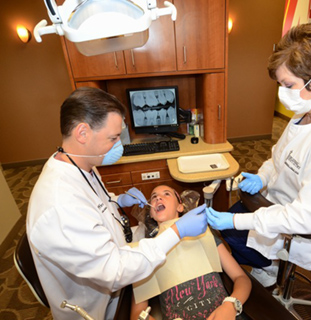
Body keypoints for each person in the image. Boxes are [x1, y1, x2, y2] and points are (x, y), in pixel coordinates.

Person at [206, 21, 311, 287]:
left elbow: (307, 218)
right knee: (226, 229)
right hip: (276, 203)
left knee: (225, 237)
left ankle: (271, 270)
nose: (282, 94)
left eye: (288, 84)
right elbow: (279, 157)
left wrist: (238, 220)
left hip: (306, 231)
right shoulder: (305, 112)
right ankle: (267, 265)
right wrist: (263, 177)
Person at [26, 87, 208, 320]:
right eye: (112, 138)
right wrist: (176, 231)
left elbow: (93, 205)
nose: (117, 146)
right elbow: (114, 270)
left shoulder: (79, 166)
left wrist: (117, 200)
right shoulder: (59, 206)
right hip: (96, 307)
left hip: (116, 284)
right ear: (82, 133)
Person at [130, 185, 252, 320]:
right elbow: (137, 314)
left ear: (180, 207)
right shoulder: (144, 251)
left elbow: (241, 278)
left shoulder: (205, 234)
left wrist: (231, 305)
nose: (159, 197)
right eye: (154, 197)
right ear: (151, 214)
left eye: (166, 194)